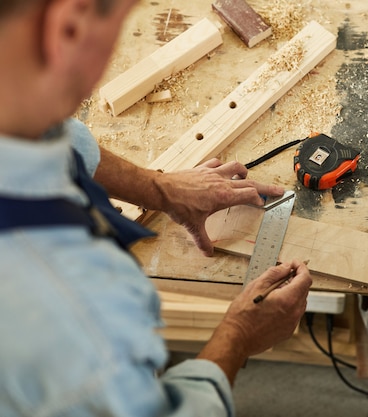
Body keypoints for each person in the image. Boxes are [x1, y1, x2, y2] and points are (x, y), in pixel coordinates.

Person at [0, 0, 312, 416]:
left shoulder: (14, 91)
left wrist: (158, 187)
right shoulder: (76, 316)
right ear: (69, 28)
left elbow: (53, 130)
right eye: (123, 20)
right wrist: (239, 334)